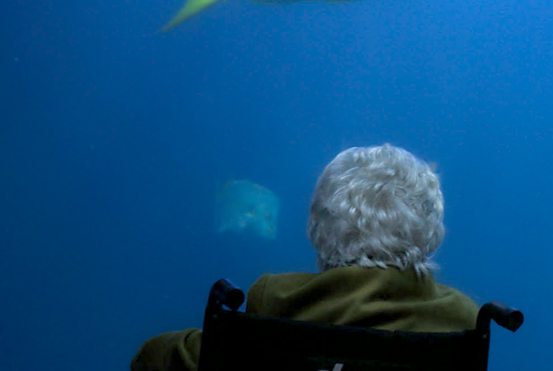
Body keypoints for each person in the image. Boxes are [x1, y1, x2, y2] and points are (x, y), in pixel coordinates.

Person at [132, 144, 478, 371]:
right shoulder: (462, 320)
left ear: (316, 228)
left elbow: (152, 360)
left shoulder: (280, 301)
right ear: (433, 234)